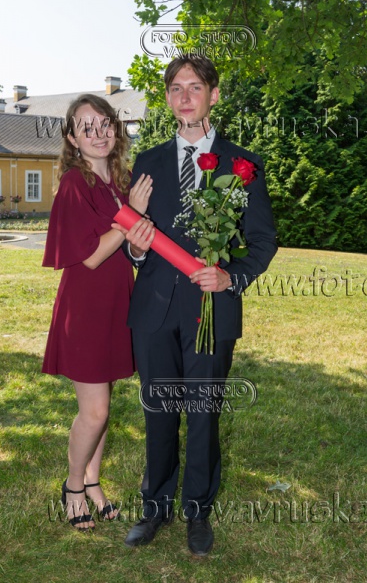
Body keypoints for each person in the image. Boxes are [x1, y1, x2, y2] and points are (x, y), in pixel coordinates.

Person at [119, 56, 277, 555]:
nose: (184, 97)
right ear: (167, 98)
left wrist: (232, 277)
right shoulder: (147, 162)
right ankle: (154, 508)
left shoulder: (243, 165)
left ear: (213, 95)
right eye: (175, 88)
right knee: (158, 411)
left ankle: (198, 512)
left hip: (211, 309)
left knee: (203, 414)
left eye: (194, 87)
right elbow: (133, 241)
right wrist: (135, 249)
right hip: (153, 309)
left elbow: (263, 241)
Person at [42, 94, 154, 531]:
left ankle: (92, 480)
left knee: (102, 403)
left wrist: (136, 237)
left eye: (104, 123)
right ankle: (72, 487)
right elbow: (89, 256)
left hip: (116, 302)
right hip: (85, 307)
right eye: (86, 127)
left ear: (116, 128)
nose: (98, 133)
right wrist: (132, 216)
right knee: (95, 411)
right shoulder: (76, 182)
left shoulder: (119, 181)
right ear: (72, 138)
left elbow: (127, 248)